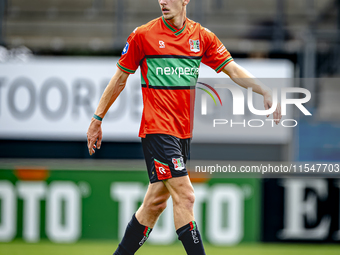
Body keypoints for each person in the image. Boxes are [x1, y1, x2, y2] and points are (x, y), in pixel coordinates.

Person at [87, 0, 282, 254]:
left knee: (155, 202)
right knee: (186, 196)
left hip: (182, 134)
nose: (163, 2)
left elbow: (232, 69)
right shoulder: (143, 35)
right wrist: (97, 119)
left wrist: (263, 89)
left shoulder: (201, 37)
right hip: (157, 130)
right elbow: (120, 78)